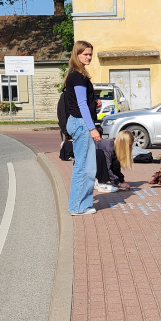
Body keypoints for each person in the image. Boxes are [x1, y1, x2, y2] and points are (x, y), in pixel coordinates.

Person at [64, 40, 102, 216]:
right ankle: (78, 207)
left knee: (86, 167)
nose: (89, 57)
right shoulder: (78, 76)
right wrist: (91, 127)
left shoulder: (76, 74)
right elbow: (80, 104)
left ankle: (81, 205)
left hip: (78, 121)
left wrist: (94, 103)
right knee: (84, 167)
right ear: (77, 54)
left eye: (90, 54)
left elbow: (83, 102)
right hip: (81, 123)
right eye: (85, 54)